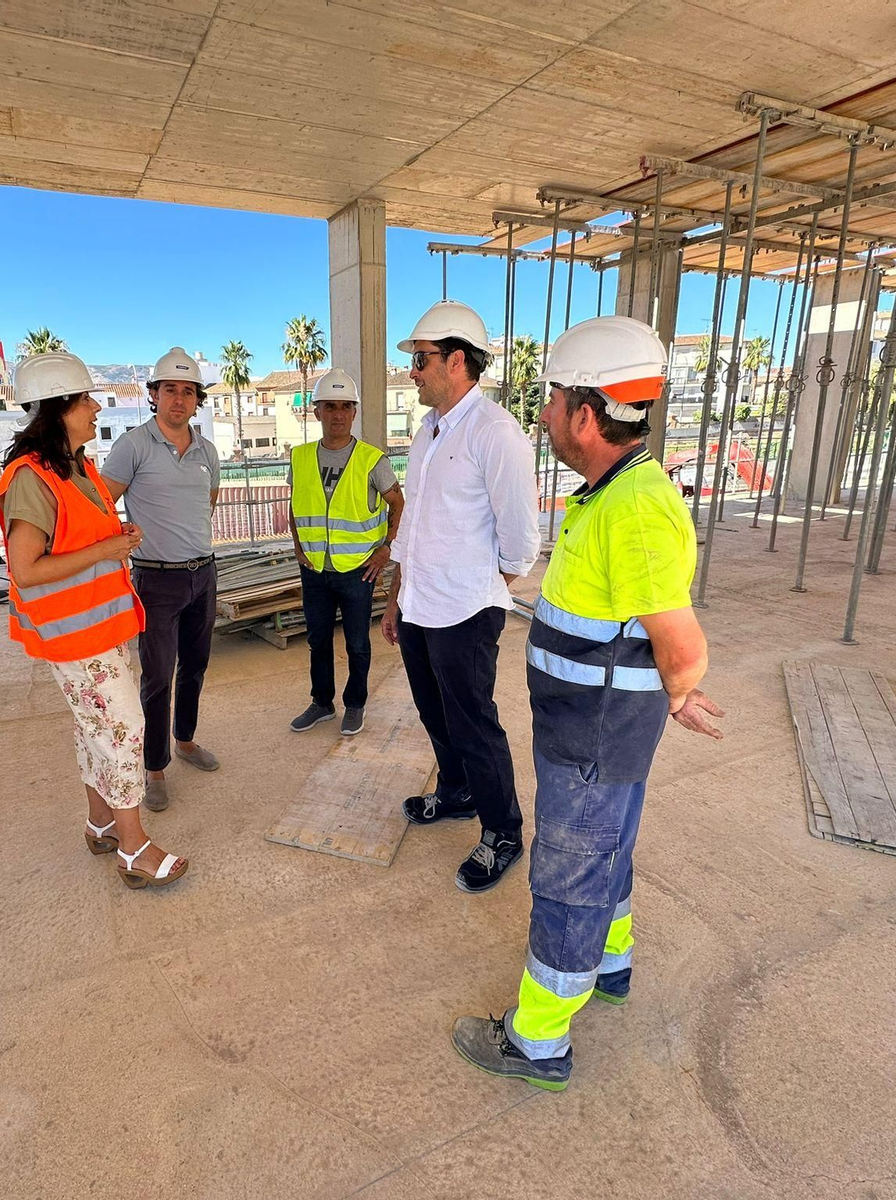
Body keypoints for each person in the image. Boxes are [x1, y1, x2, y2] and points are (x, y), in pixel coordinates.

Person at [451, 316, 724, 1089]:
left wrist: (682, 691)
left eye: (553, 399)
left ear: (584, 412)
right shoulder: (611, 493)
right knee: (608, 850)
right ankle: (611, 961)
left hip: (595, 736)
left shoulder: (634, 507)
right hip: (597, 731)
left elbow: (681, 638)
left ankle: (536, 1040)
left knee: (568, 872)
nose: (542, 415)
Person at [0, 351, 187, 889]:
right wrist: (106, 550)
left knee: (94, 729)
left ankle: (101, 824)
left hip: (99, 629)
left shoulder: (79, 468)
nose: (95, 407)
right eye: (84, 400)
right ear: (57, 409)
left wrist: (115, 542)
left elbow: (86, 538)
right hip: (73, 638)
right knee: (125, 732)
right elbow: (27, 569)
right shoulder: (32, 478)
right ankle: (134, 847)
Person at [382, 300, 541, 892]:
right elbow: (415, 525)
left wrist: (484, 587)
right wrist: (399, 597)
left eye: (419, 360)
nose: (413, 371)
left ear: (455, 361)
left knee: (475, 722)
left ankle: (503, 831)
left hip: (466, 610)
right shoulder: (429, 430)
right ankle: (456, 792)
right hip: (422, 604)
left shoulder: (495, 432)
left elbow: (522, 536)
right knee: (433, 710)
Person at [99, 347, 221, 813]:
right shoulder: (132, 445)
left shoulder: (207, 450)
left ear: (196, 400)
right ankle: (154, 768)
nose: (179, 399)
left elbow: (207, 502)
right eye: (170, 389)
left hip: (203, 575)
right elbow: (103, 503)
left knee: (196, 665)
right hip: (156, 580)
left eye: (188, 391)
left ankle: (185, 741)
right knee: (157, 677)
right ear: (154, 394)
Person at [287, 368, 405, 736]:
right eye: (329, 406)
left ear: (354, 412)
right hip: (316, 571)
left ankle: (355, 705)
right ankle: (322, 703)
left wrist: (386, 549)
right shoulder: (300, 457)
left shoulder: (372, 460)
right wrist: (299, 549)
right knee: (317, 640)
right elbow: (295, 507)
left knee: (357, 643)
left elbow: (398, 505)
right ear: (317, 411)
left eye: (345, 406)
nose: (337, 414)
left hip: (358, 570)